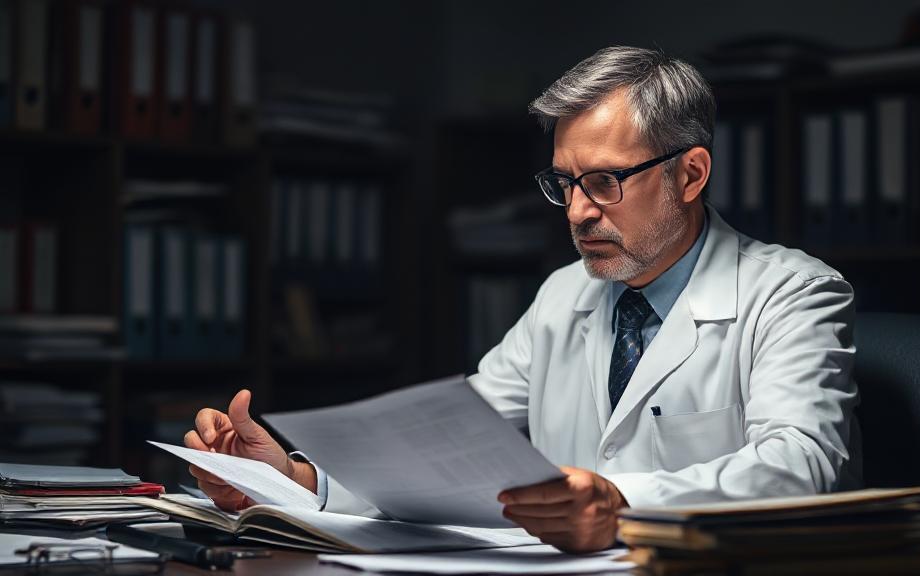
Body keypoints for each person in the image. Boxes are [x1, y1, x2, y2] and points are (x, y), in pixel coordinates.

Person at [185, 46, 861, 554]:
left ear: (690, 174)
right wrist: (293, 478)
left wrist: (622, 502)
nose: (577, 212)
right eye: (564, 183)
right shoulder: (565, 294)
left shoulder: (792, 293)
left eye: (603, 181)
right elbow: (445, 449)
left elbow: (802, 468)